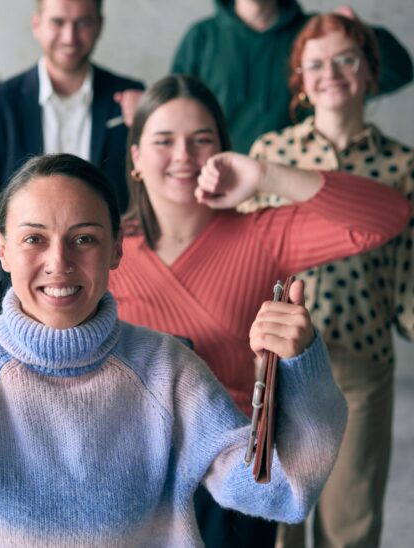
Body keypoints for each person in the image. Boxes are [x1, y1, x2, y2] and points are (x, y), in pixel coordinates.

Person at [0, 152, 349, 546]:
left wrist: (300, 366)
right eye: (34, 239)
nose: (59, 261)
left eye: (84, 238)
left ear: (114, 252)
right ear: (3, 250)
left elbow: (279, 493)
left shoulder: (168, 371)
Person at [106, 74, 410, 547]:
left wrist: (265, 175)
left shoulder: (260, 235)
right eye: (164, 141)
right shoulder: (103, 249)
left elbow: (388, 215)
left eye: (201, 140)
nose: (184, 155)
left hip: (235, 485)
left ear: (223, 151)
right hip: (130, 480)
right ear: (136, 159)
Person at [237, 14, 414, 548]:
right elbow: (243, 259)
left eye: (345, 59)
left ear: (367, 74)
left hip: (360, 368)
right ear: (301, 82)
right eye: (315, 63)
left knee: (351, 527)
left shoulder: (401, 166)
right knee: (279, 524)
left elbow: (408, 277)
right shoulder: (271, 154)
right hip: (280, 370)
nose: (330, 73)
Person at [114, 0, 412, 153]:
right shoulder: (202, 37)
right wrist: (149, 110)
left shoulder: (315, 35)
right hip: (219, 188)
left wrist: (359, 32)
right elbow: (179, 115)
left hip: (306, 180)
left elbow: (398, 71)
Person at [0, 0, 143, 223]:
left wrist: (153, 119)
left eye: (83, 22)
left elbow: (151, 191)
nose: (69, 37)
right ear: (37, 25)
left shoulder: (131, 96)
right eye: (57, 22)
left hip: (114, 254)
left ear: (99, 26)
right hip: (20, 255)